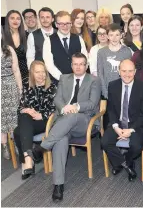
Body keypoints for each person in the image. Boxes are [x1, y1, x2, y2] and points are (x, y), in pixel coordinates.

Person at [39, 53, 101, 202]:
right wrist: (64, 107)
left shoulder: (94, 80)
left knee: (73, 116)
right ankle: (58, 185)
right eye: (75, 64)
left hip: (84, 121)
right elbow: (58, 99)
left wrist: (75, 107)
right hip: (63, 122)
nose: (78, 67)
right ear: (71, 65)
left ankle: (42, 147)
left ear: (86, 66)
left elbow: (93, 103)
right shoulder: (64, 78)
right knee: (60, 140)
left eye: (81, 64)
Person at [101, 59, 143, 181]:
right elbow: (111, 110)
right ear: (119, 71)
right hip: (117, 123)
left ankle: (124, 162)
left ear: (135, 72)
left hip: (135, 124)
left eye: (130, 71)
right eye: (124, 71)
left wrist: (131, 130)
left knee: (136, 145)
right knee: (105, 142)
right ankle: (125, 164)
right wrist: (116, 127)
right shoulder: (112, 85)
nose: (127, 74)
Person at [13, 61, 56, 180]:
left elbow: (56, 110)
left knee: (18, 131)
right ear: (32, 73)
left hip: (45, 121)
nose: (41, 74)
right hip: (30, 121)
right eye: (37, 72)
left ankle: (26, 161)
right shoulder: (27, 84)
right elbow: (21, 107)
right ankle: (28, 158)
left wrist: (41, 115)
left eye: (43, 71)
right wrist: (26, 110)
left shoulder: (52, 86)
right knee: (24, 118)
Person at [43, 11, 88, 83]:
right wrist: (63, 78)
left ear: (71, 23)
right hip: (58, 82)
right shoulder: (48, 41)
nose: (65, 26)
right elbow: (49, 64)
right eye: (61, 24)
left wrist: (78, 76)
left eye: (67, 23)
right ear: (56, 24)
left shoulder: (78, 39)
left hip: (78, 81)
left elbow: (85, 60)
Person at [97, 23, 132, 99]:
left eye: (117, 35)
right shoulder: (101, 52)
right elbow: (100, 74)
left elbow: (129, 73)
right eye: (111, 35)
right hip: (107, 90)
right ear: (107, 36)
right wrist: (105, 92)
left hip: (123, 90)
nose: (114, 38)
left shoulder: (127, 51)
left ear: (121, 35)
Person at [1, 37, 22, 160]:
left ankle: (16, 143)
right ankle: (4, 146)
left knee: (14, 115)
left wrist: (20, 89)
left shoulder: (9, 49)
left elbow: (16, 70)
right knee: (1, 118)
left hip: (11, 86)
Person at [3, 10, 29, 83]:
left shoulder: (27, 35)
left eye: (18, 18)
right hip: (8, 75)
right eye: (12, 18)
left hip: (26, 75)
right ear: (7, 20)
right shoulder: (2, 36)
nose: (15, 20)